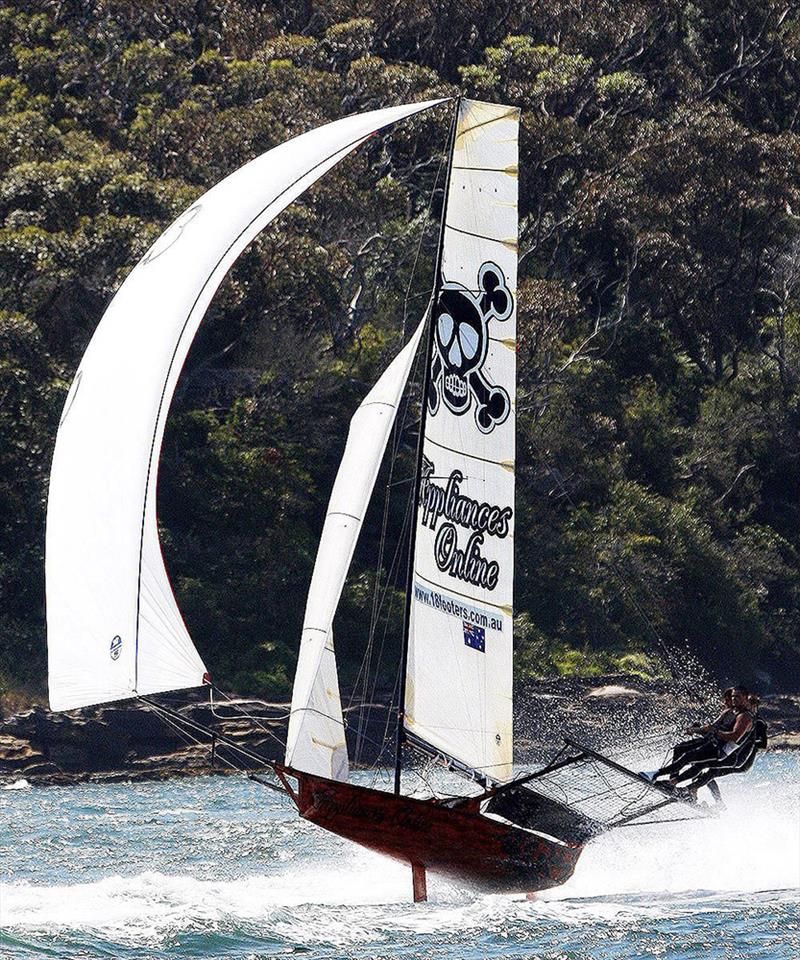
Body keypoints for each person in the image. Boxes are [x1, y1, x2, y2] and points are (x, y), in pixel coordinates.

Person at [641, 688, 736, 783]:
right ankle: (671, 782)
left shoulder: (733, 714)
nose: (725, 702)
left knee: (695, 763)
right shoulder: (729, 712)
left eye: (727, 700)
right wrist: (696, 730)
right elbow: (711, 729)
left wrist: (695, 730)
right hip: (709, 742)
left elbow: (713, 729)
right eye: (725, 699)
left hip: (716, 747)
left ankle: (666, 779)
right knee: (682, 751)